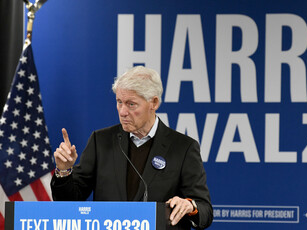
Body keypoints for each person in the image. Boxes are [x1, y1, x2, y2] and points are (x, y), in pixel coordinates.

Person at [50, 66, 213, 229]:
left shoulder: (183, 148)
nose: (122, 111)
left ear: (154, 103)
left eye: (131, 104)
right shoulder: (101, 141)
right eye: (119, 102)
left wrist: (190, 206)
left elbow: (205, 211)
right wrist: (64, 171)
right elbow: (68, 204)